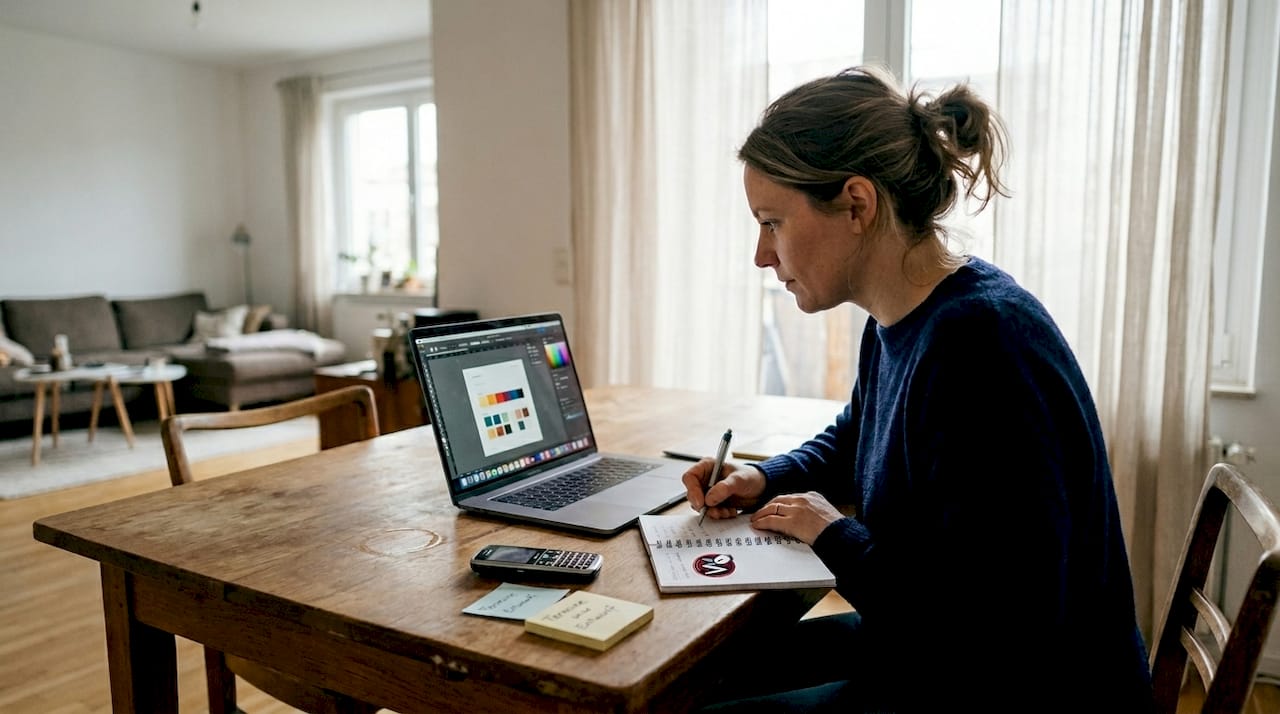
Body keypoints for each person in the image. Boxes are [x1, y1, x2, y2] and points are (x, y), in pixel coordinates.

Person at [682, 65, 1153, 713]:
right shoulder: (903, 315)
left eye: (772, 223)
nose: (762, 256)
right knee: (701, 681)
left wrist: (832, 533)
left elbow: (994, 622)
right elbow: (859, 436)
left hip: (1018, 689)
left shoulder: (982, 345)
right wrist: (767, 479)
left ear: (856, 203)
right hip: (932, 654)